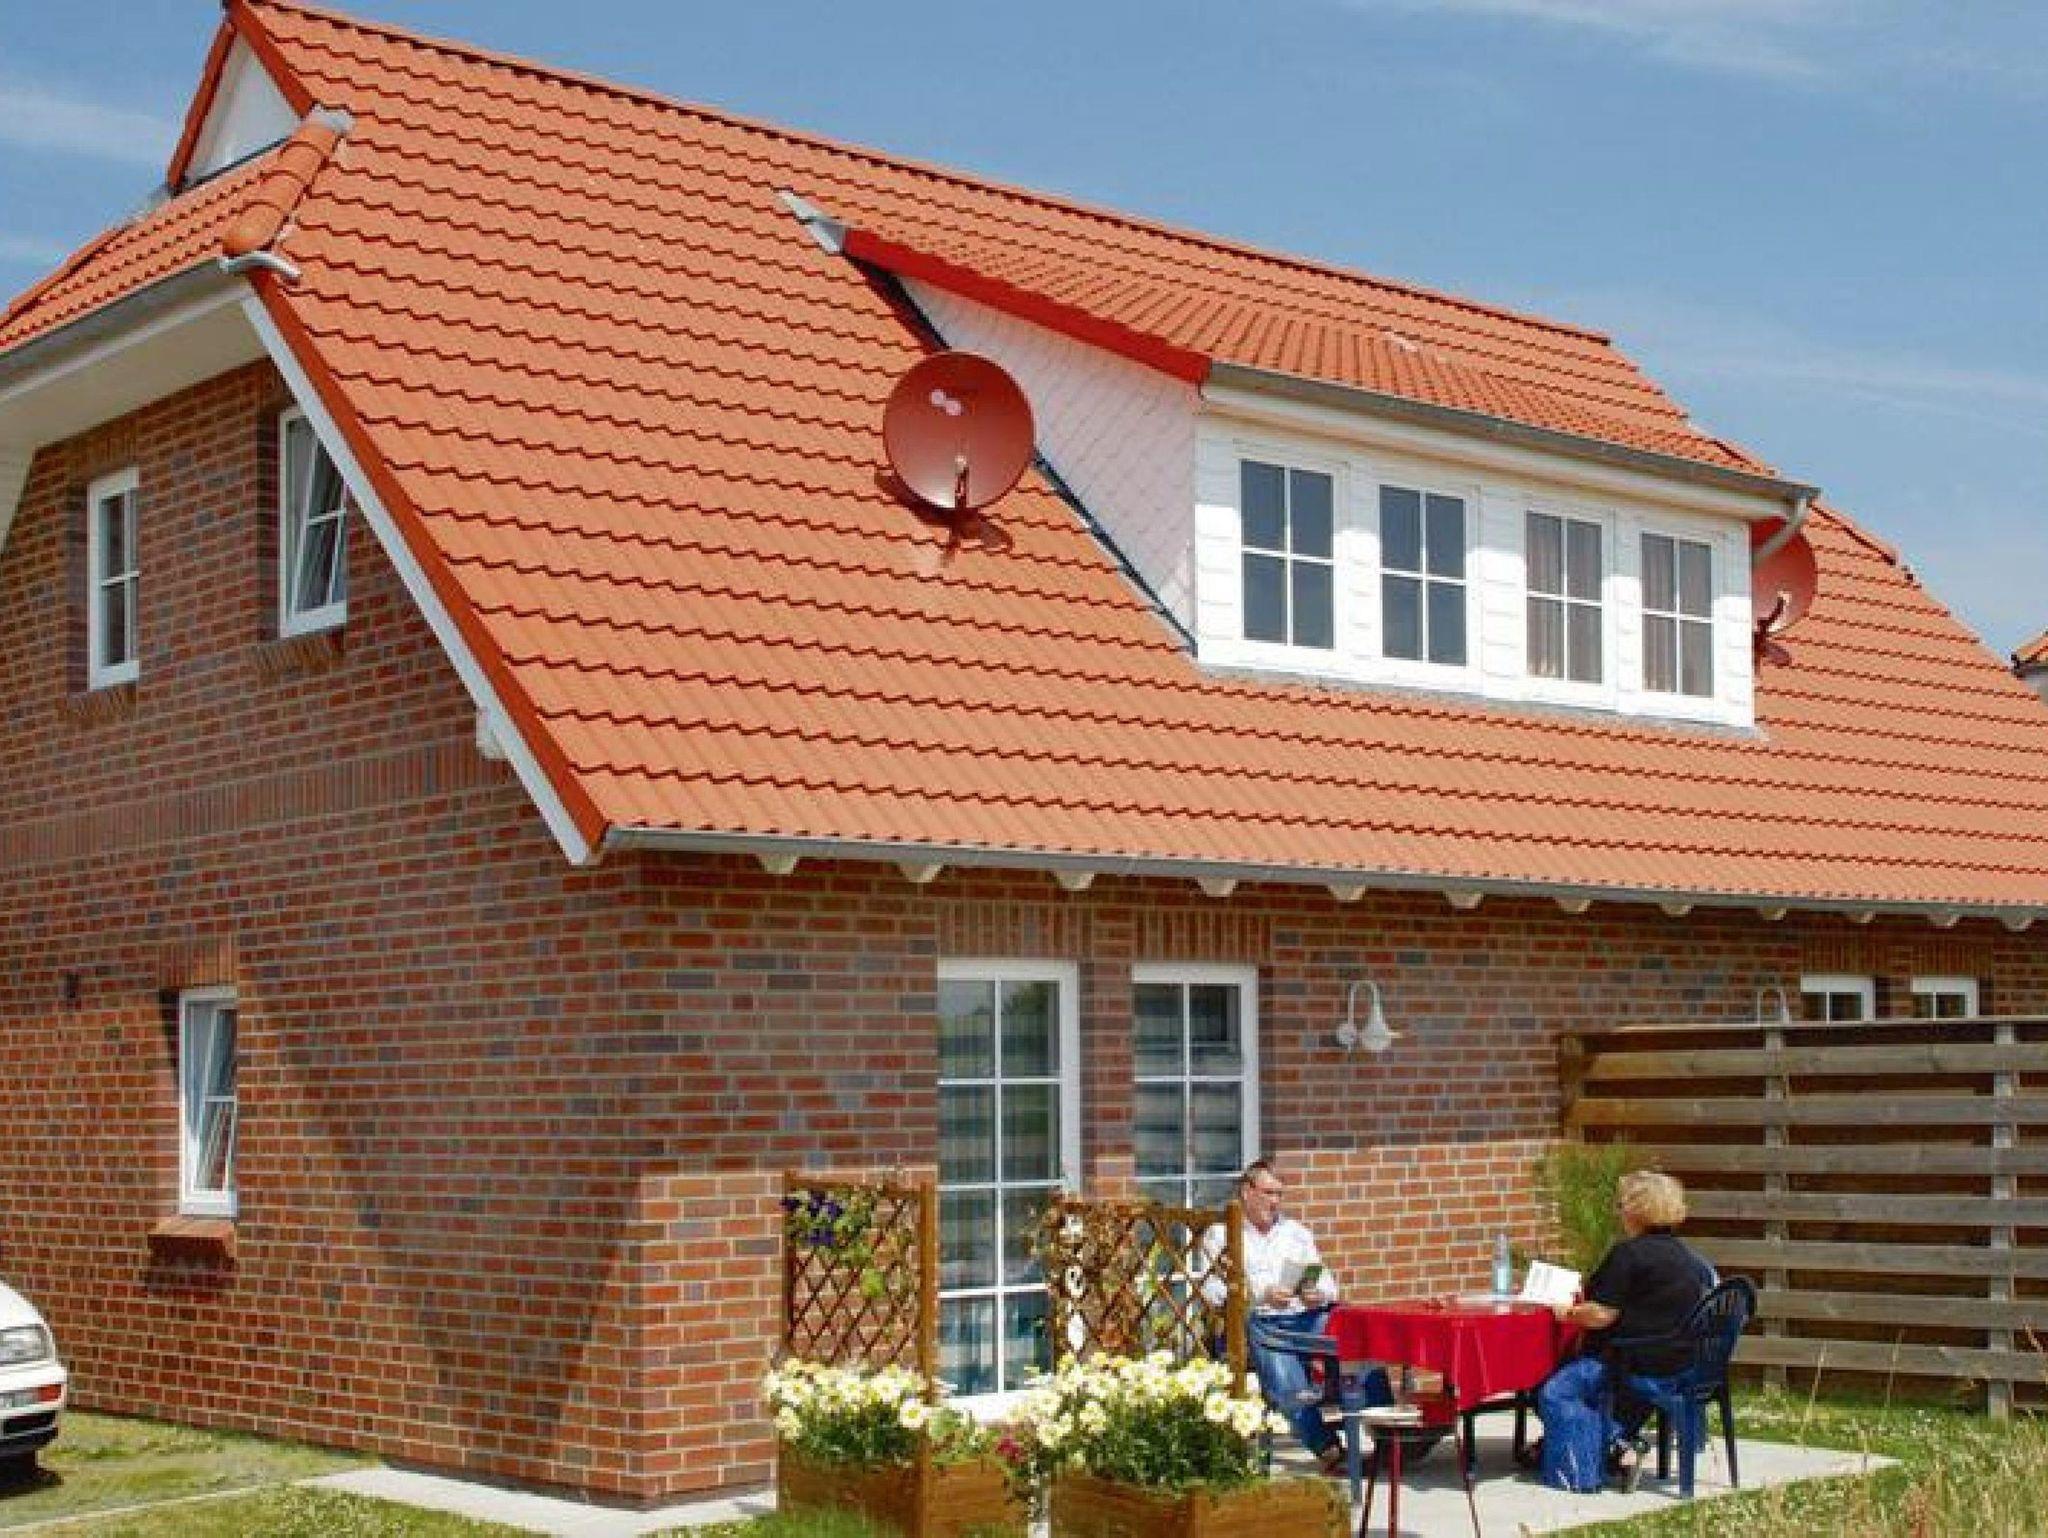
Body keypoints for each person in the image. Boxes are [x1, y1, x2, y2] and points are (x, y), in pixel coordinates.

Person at [1534, 1170, 1716, 1493]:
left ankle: (1580, 1471)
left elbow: (1602, 1315)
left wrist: (1568, 1313)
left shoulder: (1628, 1255)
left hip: (1628, 1363)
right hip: (1677, 1364)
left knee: (1555, 1391)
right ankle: (1618, 1448)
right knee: (1585, 1387)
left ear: (1636, 1210)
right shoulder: (1686, 1257)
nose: (1618, 1212)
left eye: (1621, 1205)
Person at [1205, 1159, 1390, 1474]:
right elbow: (1212, 1292)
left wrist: (1317, 1292)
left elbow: (1327, 1282)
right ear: (1247, 1191)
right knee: (1284, 1376)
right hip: (1261, 1322)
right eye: (1268, 1193)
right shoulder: (1223, 1234)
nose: (1275, 1201)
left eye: (1280, 1194)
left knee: (1358, 1336)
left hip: (1306, 1315)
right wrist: (1260, 1295)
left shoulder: (1296, 1233)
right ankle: (1328, 1448)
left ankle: (1388, 1439)